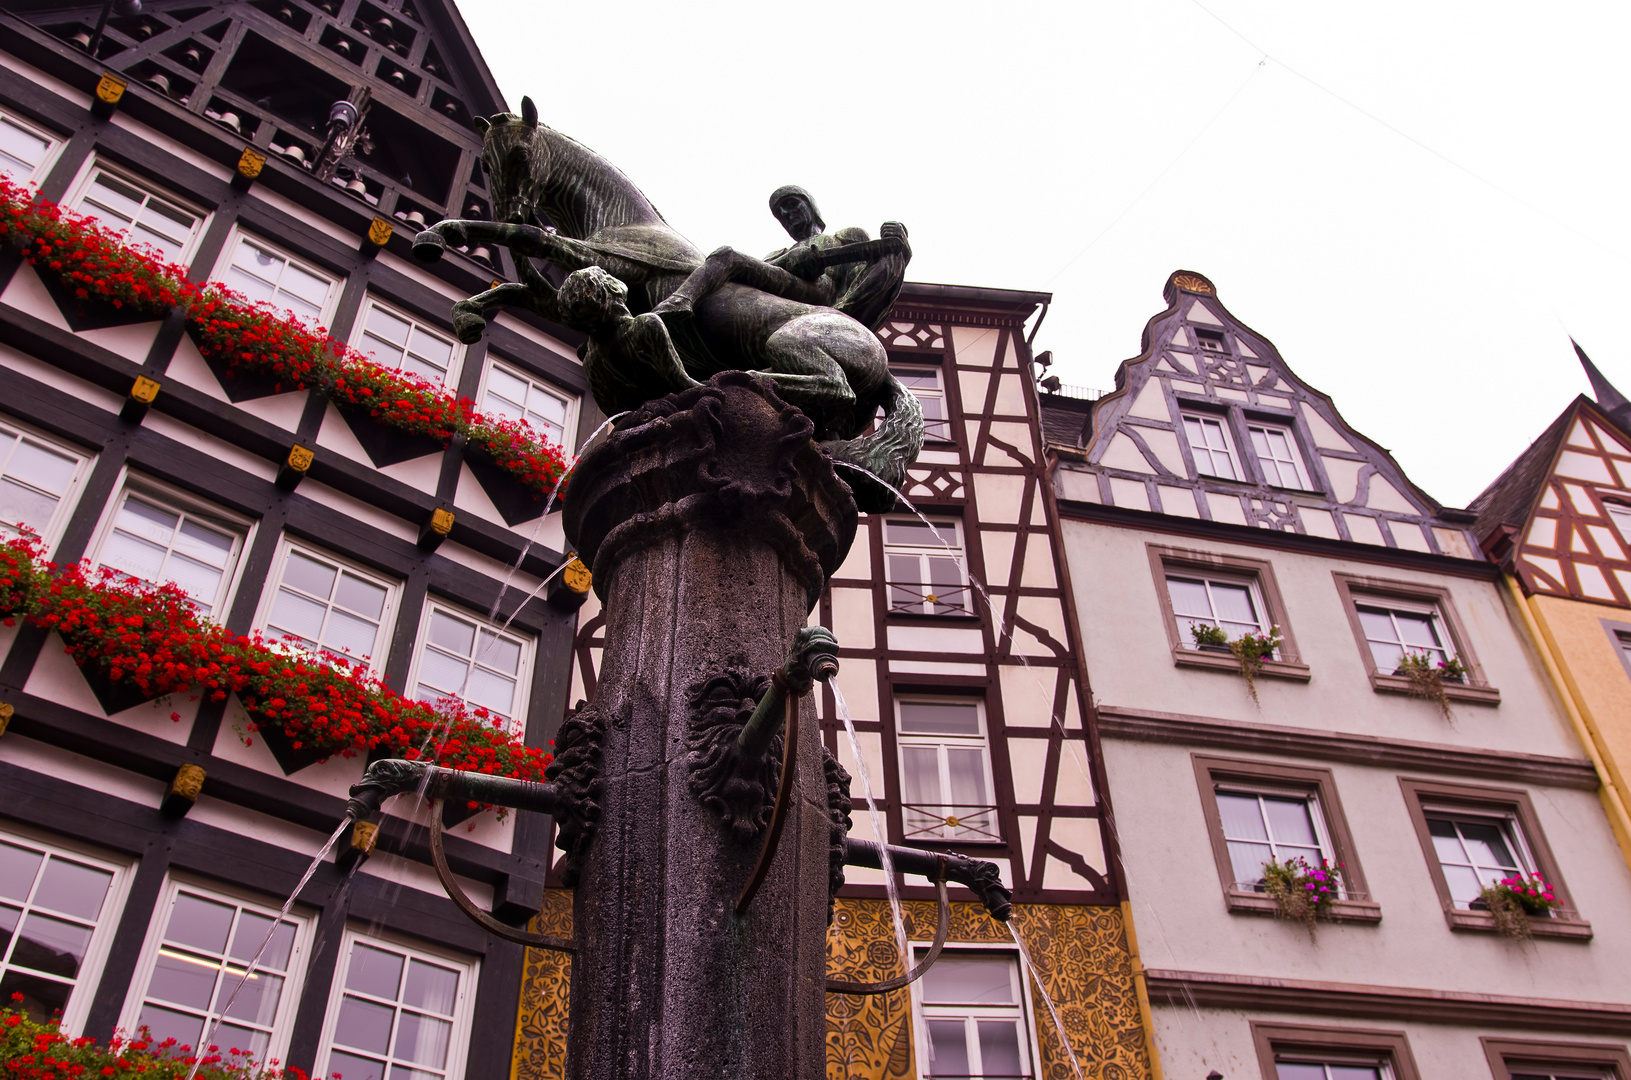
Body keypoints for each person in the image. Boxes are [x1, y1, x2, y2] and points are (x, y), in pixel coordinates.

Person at [650, 185, 909, 332]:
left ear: (812, 207)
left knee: (727, 256)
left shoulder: (845, 236)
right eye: (781, 214)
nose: (788, 214)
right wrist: (789, 261)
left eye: (793, 204)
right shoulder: (777, 254)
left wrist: (897, 245)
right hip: (782, 301)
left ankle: (679, 302)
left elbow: (863, 278)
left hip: (819, 296)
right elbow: (762, 277)